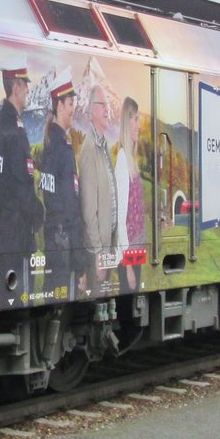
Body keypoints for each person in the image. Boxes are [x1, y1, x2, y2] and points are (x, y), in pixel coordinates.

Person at [0, 64, 44, 309]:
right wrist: (36, 210)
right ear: (16, 86)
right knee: (19, 302)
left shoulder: (2, 121)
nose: (29, 89)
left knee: (10, 300)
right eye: (25, 84)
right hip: (17, 230)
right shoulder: (11, 126)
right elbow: (19, 181)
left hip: (9, 229)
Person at [38, 76, 87, 299]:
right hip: (64, 243)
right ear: (59, 105)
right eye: (70, 105)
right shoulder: (63, 149)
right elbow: (70, 208)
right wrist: (80, 264)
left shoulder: (49, 146)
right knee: (61, 302)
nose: (73, 111)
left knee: (50, 298)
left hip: (53, 241)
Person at [78, 81, 117, 297]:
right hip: (97, 253)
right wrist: (99, 255)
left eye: (108, 105)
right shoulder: (90, 148)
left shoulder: (103, 147)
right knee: (96, 299)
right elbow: (88, 211)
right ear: (92, 110)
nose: (107, 110)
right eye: (102, 105)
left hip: (106, 247)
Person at [114, 97, 145, 291]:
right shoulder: (123, 161)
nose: (139, 125)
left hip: (137, 246)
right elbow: (121, 217)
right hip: (130, 251)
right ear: (127, 122)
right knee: (129, 297)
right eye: (135, 119)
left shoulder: (131, 160)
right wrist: (127, 267)